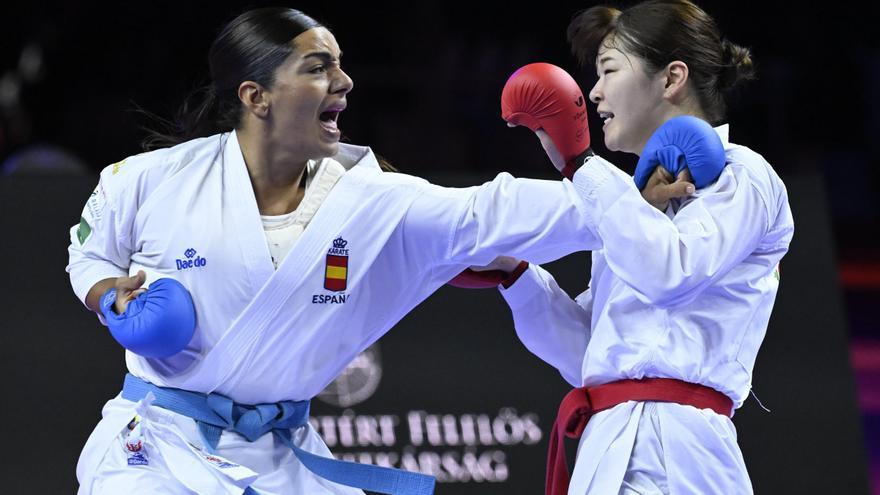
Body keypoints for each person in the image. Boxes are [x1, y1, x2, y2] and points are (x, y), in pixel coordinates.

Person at [66, 7, 723, 495]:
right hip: (153, 450)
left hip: (279, 459)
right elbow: (86, 247)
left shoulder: (372, 202)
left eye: (341, 64)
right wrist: (103, 291)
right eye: (318, 67)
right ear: (256, 96)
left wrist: (635, 191)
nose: (345, 81)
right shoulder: (149, 180)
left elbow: (492, 212)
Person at [486, 1, 794, 494]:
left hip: (679, 452)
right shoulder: (629, 204)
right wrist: (515, 276)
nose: (594, 91)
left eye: (609, 69)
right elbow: (587, 350)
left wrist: (580, 164)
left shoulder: (745, 176)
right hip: (605, 446)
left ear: (671, 78)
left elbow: (672, 271)